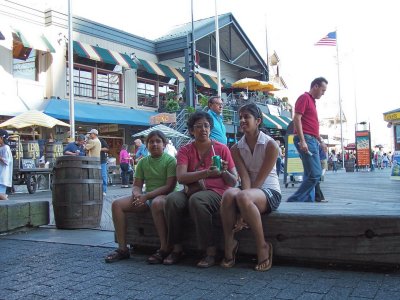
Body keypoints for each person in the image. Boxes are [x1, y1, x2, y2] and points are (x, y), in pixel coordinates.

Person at [163, 111, 237, 268]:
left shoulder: (221, 149)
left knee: (198, 200)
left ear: (210, 128)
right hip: (191, 191)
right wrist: (206, 173)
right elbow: (181, 177)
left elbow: (234, 181)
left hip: (217, 193)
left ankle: (210, 251)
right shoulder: (185, 150)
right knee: (171, 200)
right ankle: (176, 248)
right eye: (198, 126)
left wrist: (223, 171)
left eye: (206, 126)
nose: (203, 129)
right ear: (191, 130)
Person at [219, 103, 281, 272]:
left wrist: (242, 213)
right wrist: (242, 205)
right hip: (249, 191)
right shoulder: (235, 148)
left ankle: (263, 246)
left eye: (247, 116)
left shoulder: (271, 145)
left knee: (242, 197)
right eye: (240, 117)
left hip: (269, 191)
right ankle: (229, 242)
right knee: (228, 194)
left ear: (258, 120)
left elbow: (260, 180)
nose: (242, 120)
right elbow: (245, 177)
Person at [105, 130, 177, 263]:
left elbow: (169, 187)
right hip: (147, 197)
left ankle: (164, 248)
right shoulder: (143, 162)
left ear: (164, 144)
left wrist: (146, 196)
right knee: (117, 204)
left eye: (158, 141)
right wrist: (137, 194)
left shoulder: (171, 161)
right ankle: (122, 249)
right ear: (146, 145)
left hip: (167, 197)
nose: (154, 144)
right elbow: (137, 185)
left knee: (156, 203)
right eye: (151, 142)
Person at [287, 77, 328, 202]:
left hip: (311, 139)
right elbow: (297, 118)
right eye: (322, 90)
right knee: (315, 174)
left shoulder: (311, 101)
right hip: (307, 139)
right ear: (315, 86)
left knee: (310, 173)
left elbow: (311, 125)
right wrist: (302, 140)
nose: (323, 93)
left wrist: (320, 140)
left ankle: (310, 200)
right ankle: (294, 200)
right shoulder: (304, 98)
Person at [0, 130, 13, 200]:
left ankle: (7, 200)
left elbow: (6, 161)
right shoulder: (1, 147)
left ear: (1, 138)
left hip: (2, 175)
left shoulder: (6, 148)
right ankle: (5, 197)